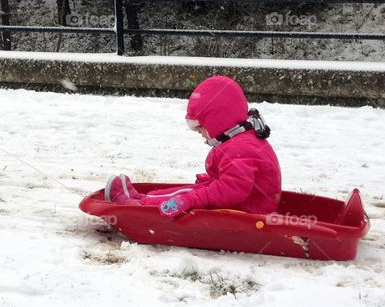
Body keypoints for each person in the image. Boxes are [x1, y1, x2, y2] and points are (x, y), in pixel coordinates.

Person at [105, 75, 281, 216]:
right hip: (248, 205)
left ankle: (139, 207)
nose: (202, 135)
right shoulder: (242, 140)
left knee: (191, 196)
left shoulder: (241, 148)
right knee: (195, 191)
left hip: (246, 212)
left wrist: (194, 198)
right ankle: (141, 199)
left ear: (217, 120)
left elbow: (232, 190)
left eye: (202, 129)